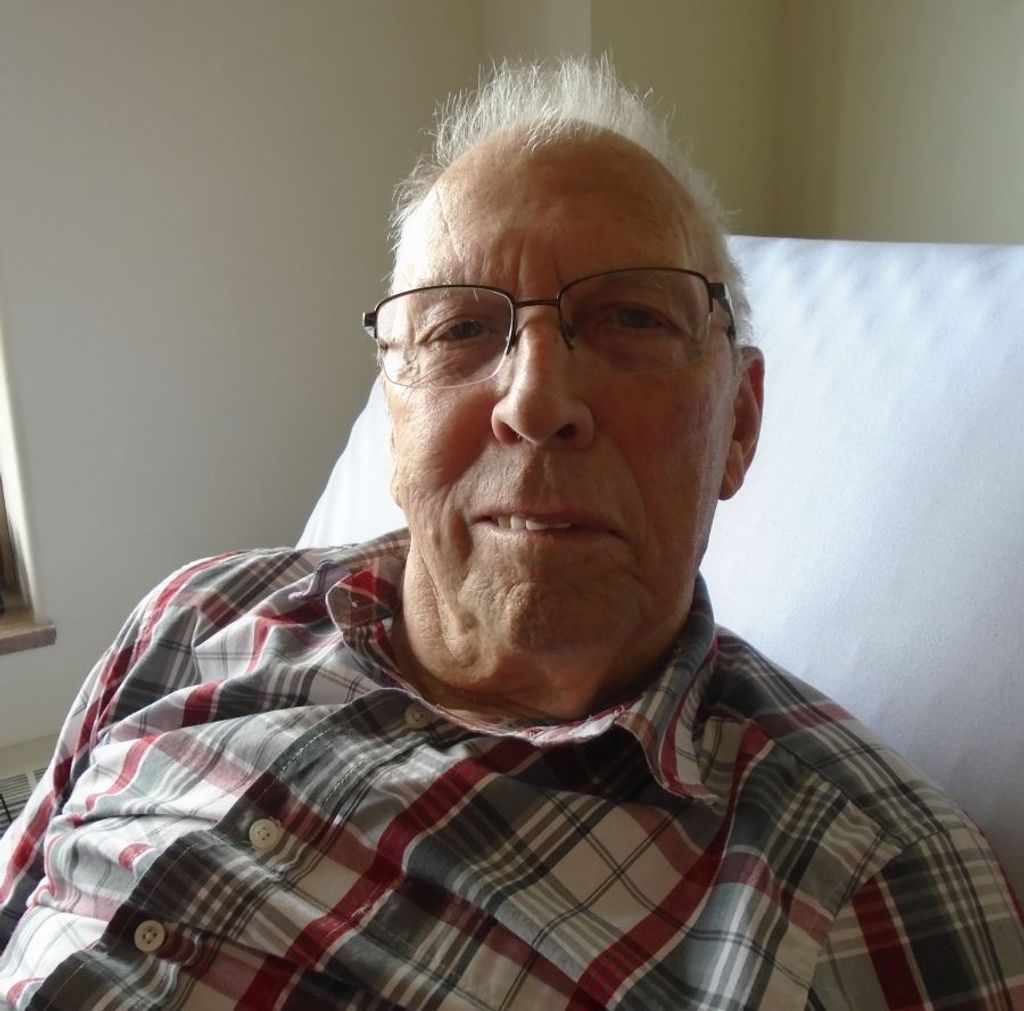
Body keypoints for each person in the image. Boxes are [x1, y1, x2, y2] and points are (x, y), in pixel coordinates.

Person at [1, 57, 1022, 1011]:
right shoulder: (194, 618)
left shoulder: (871, 883)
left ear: (739, 425)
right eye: (460, 329)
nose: (536, 401)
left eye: (631, 320)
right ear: (394, 418)